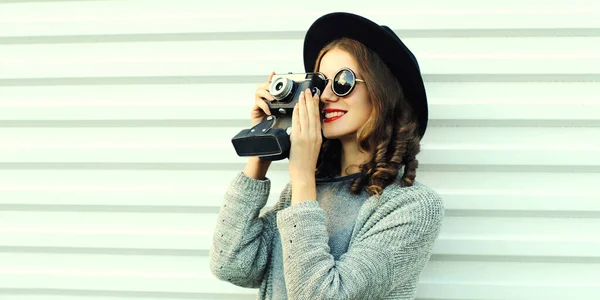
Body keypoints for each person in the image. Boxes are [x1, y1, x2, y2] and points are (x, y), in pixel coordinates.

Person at [210, 12, 445, 300]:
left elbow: (323, 296)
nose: (325, 96)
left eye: (343, 82)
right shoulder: (302, 194)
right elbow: (232, 265)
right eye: (320, 83)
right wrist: (265, 140)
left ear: (383, 91)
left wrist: (303, 176)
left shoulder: (412, 206)